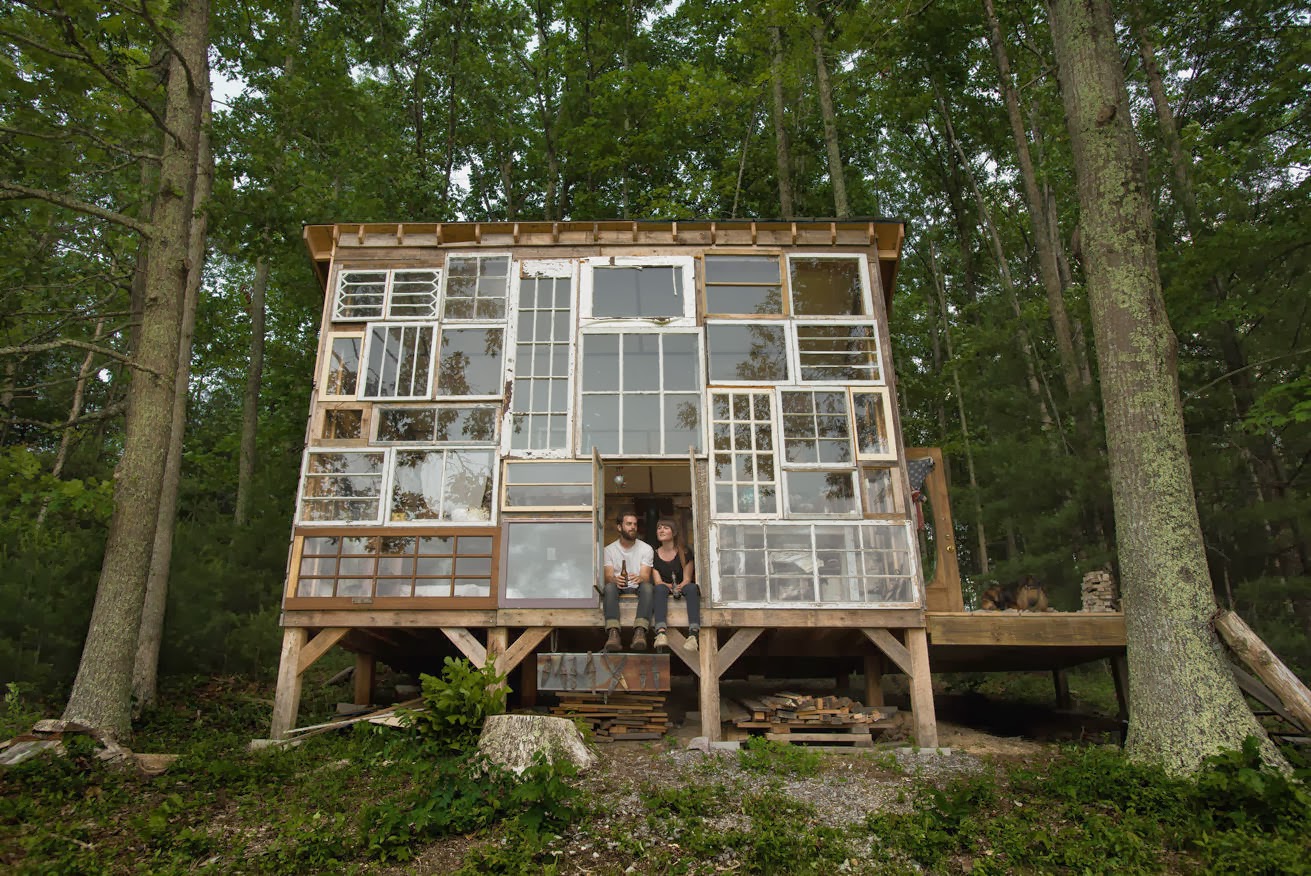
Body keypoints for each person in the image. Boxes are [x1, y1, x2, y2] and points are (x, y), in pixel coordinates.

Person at [601, 510, 654, 652]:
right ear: (619, 527)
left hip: (637, 586)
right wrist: (614, 579)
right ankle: (613, 633)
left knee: (648, 587)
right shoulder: (609, 550)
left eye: (635, 524)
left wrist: (640, 578)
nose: (633, 527)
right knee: (609, 588)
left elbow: (645, 575)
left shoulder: (646, 548)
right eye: (629, 524)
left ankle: (640, 631)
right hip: (618, 587)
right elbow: (608, 576)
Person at [650, 517, 701, 653]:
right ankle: (661, 632)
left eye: (665, 528)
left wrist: (679, 586)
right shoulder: (653, 555)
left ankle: (693, 634)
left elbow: (687, 578)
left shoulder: (684, 552)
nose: (661, 530)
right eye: (659, 528)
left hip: (681, 586)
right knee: (659, 589)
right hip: (664, 588)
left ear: (673, 533)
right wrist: (667, 586)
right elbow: (657, 581)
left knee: (692, 588)